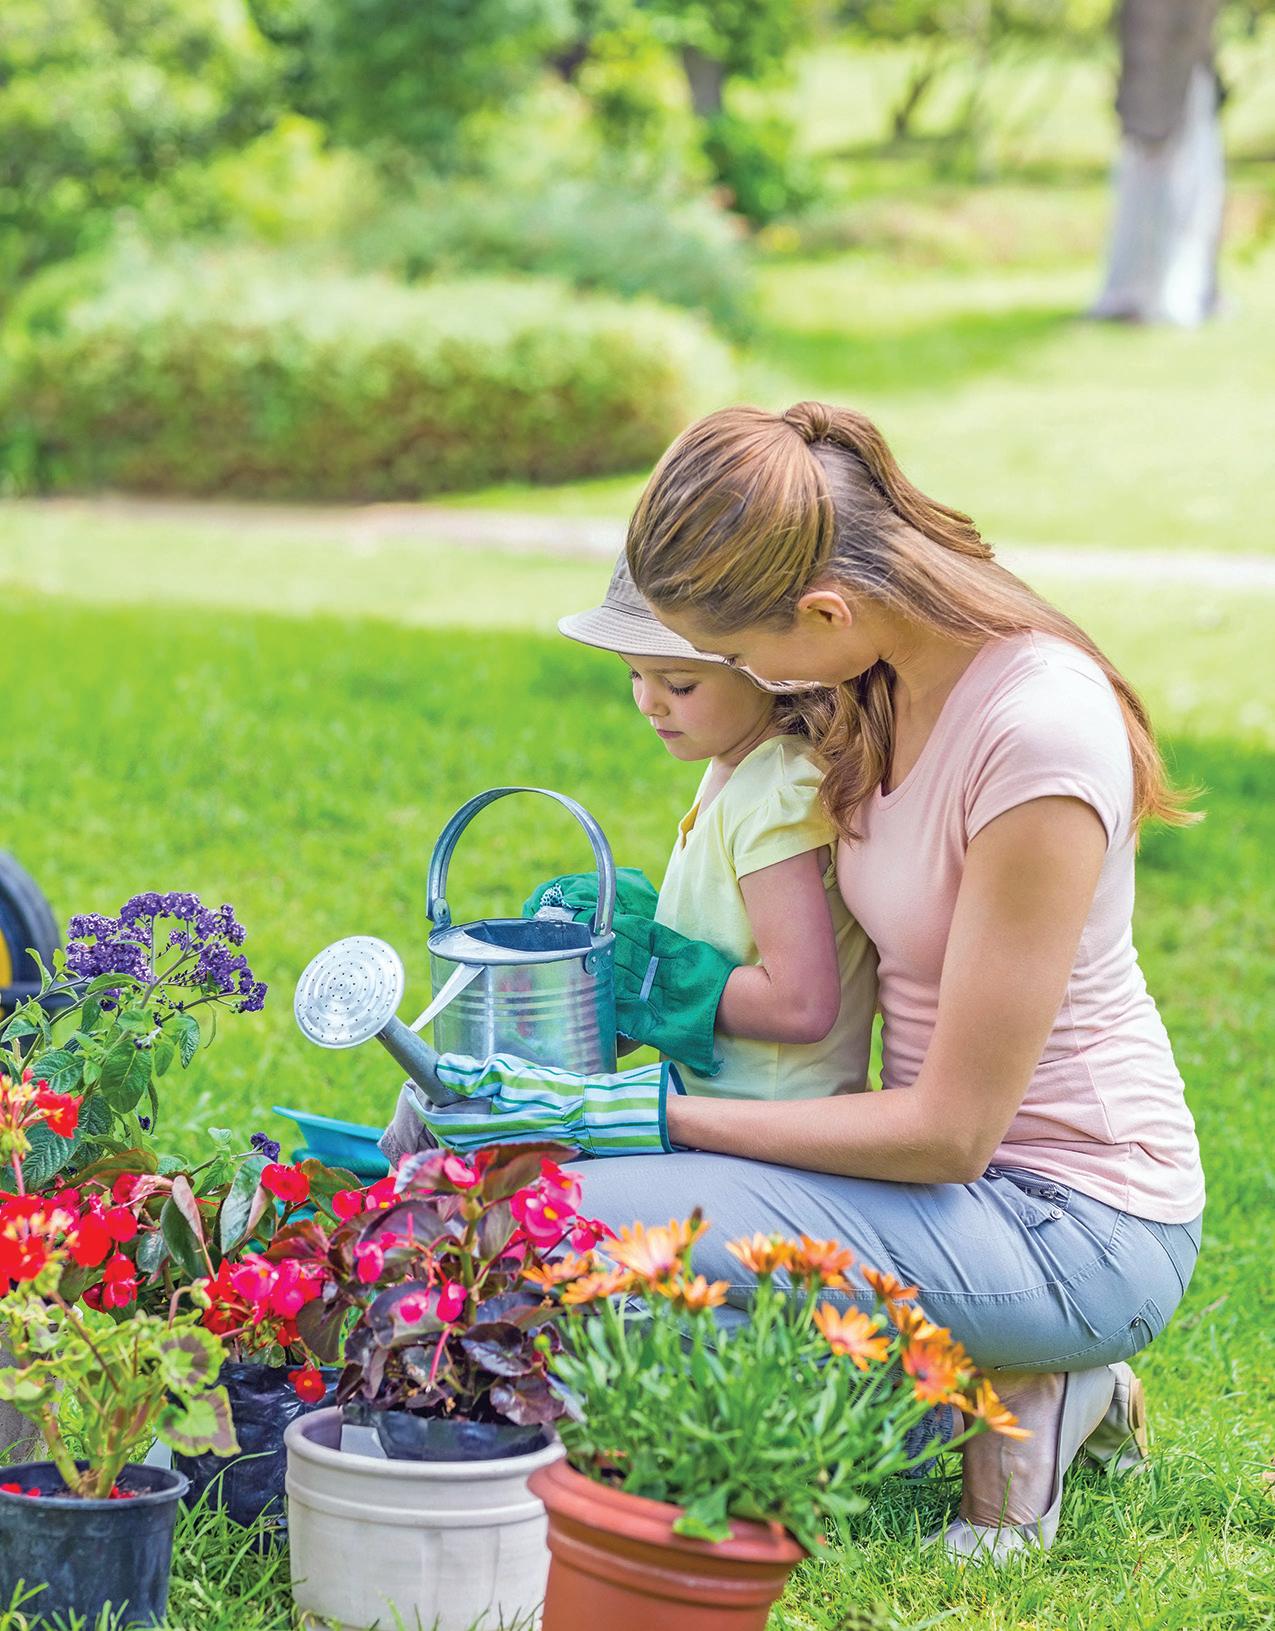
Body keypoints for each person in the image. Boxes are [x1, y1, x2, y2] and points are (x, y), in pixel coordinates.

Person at [573, 400, 1204, 1561]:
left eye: (736, 653)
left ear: (826, 611)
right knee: (567, 1208)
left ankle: (1038, 1366)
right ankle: (992, 1382)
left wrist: (653, 1119)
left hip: (1071, 1215)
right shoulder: (879, 671)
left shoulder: (1037, 738)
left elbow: (953, 1131)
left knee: (567, 1225)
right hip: (926, 1189)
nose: (742, 679)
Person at [543, 551, 877, 1102]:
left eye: (679, 685)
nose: (648, 703)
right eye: (634, 673)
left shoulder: (777, 795)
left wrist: (651, 976)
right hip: (717, 1108)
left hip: (776, 1127)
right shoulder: (736, 765)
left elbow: (801, 1005)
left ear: (762, 667)